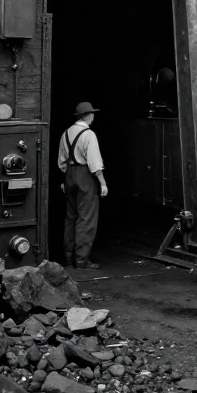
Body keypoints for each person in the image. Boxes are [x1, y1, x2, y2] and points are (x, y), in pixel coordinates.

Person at [57, 101, 109, 270]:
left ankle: (68, 256)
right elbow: (94, 163)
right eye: (92, 114)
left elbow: (61, 161)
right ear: (88, 116)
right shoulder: (89, 135)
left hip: (69, 175)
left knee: (70, 216)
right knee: (86, 218)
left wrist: (64, 180)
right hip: (85, 176)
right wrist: (102, 183)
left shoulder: (66, 133)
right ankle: (81, 259)